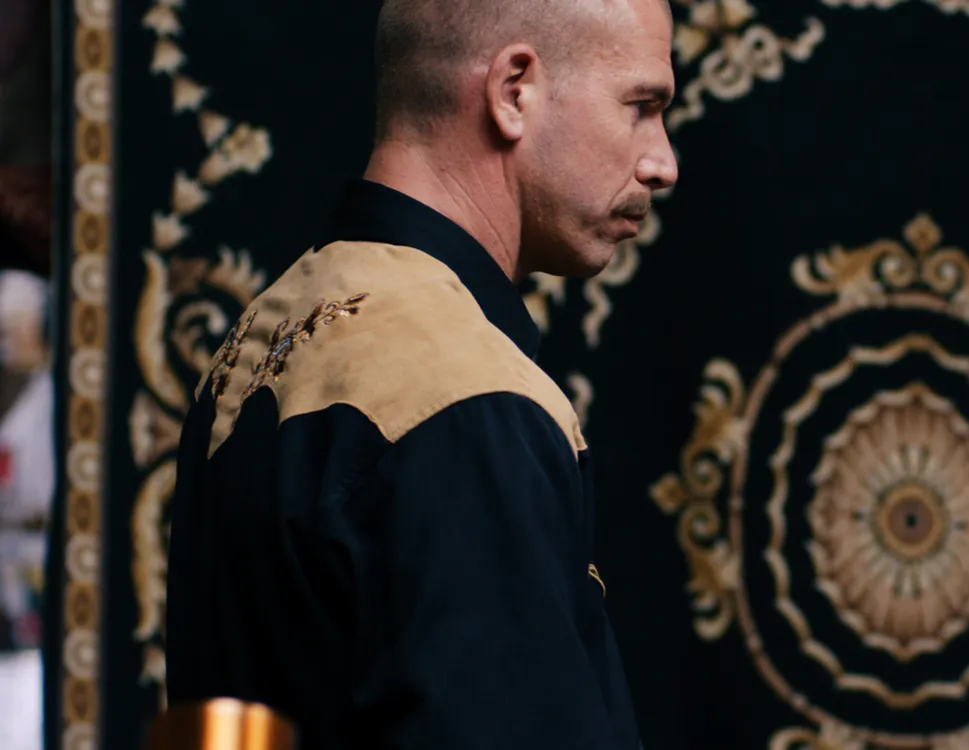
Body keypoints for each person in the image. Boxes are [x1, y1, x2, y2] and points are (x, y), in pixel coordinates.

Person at [165, 0, 677, 746]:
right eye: (641, 107)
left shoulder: (258, 341)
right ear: (514, 91)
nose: (662, 162)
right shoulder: (465, 398)